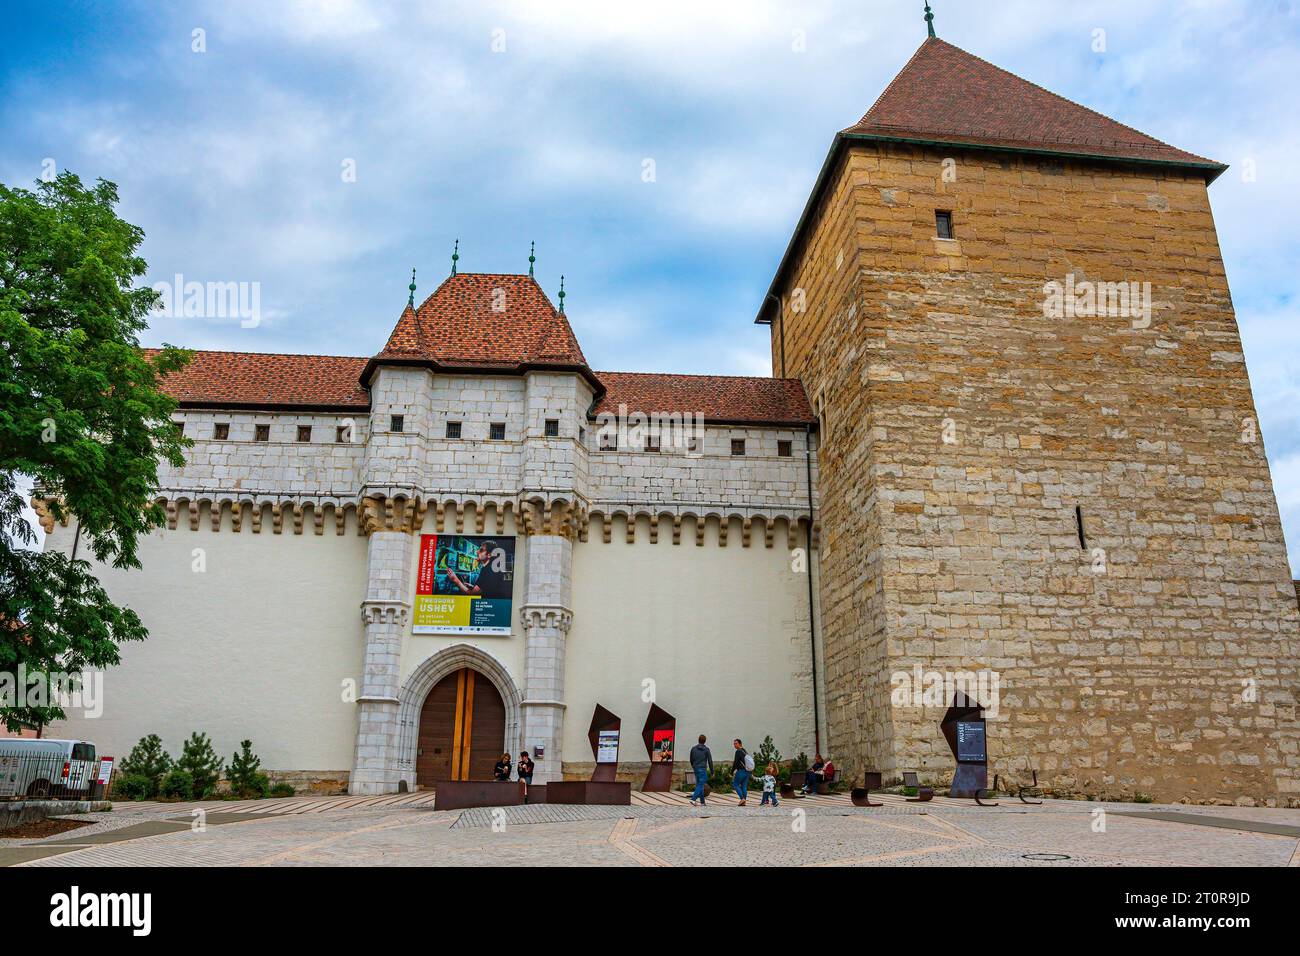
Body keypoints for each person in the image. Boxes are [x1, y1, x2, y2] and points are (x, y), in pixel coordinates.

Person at [445, 540, 511, 599]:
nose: (477, 551)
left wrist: (455, 580)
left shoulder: (488, 571)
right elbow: (488, 589)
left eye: (481, 550)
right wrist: (473, 587)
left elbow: (471, 594)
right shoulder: (489, 568)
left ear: (489, 555)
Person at [688, 734, 713, 807]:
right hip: (702, 769)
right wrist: (712, 771)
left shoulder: (693, 749)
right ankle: (693, 799)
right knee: (700, 784)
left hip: (696, 768)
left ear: (698, 740)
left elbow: (691, 759)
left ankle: (702, 802)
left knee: (700, 785)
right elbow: (710, 761)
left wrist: (694, 766)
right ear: (705, 741)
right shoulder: (706, 749)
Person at [732, 738, 752, 805]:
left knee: (735, 784)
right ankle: (744, 801)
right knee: (744, 786)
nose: (734, 745)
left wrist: (731, 772)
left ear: (740, 744)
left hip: (741, 771)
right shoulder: (745, 751)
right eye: (734, 744)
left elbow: (736, 763)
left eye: (736, 743)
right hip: (747, 771)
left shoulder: (738, 751)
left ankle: (742, 798)